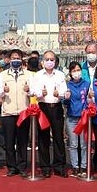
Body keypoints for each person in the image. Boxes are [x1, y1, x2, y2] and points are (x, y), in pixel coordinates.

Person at [0, 48, 33, 177]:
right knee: (9, 142)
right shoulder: (3, 74)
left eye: (18, 58)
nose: (15, 60)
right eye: (13, 58)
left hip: (23, 112)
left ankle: (22, 166)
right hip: (8, 113)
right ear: (9, 60)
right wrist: (3, 90)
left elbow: (34, 92)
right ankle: (11, 167)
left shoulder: (28, 74)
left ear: (21, 59)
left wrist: (29, 90)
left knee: (22, 141)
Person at [33, 50, 68, 178]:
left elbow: (65, 91)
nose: (49, 62)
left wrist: (60, 94)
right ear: (42, 61)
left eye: (52, 60)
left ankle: (59, 166)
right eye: (47, 59)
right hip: (43, 107)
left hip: (57, 106)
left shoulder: (60, 75)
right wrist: (40, 93)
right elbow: (33, 91)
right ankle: (45, 167)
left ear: (55, 61)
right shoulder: (37, 75)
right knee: (43, 138)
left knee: (58, 137)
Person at [64, 61, 90, 177]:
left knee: (84, 144)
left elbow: (90, 100)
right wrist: (66, 98)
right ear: (70, 73)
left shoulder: (86, 84)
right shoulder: (67, 85)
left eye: (78, 70)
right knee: (73, 144)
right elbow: (64, 102)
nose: (76, 73)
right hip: (71, 118)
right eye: (74, 71)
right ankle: (75, 166)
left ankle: (84, 166)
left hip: (84, 118)